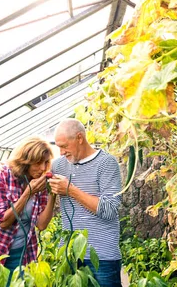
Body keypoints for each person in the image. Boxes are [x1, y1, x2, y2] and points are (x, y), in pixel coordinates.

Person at [0, 137, 56, 286]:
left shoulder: (39, 182)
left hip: (21, 253)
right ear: (25, 161)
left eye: (46, 162)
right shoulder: (1, 176)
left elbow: (41, 225)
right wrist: (28, 193)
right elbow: (3, 221)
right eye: (38, 162)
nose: (42, 168)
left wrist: (52, 194)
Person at [48, 118, 123, 287]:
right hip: (71, 255)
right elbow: (33, 168)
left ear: (79, 138)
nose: (60, 152)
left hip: (102, 256)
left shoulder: (106, 163)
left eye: (64, 146)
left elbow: (110, 209)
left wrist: (71, 190)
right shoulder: (58, 165)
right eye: (58, 146)